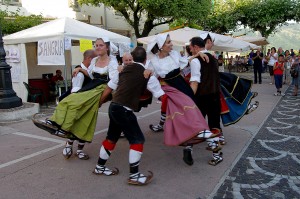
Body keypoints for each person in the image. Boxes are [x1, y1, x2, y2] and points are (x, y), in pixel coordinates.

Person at [92, 47, 164, 185]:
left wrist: (99, 103)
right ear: (145, 60)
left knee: (111, 138)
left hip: (114, 107)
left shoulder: (123, 70)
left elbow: (108, 88)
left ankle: (99, 167)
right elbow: (161, 95)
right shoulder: (146, 74)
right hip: (124, 110)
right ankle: (134, 175)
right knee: (138, 140)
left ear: (133, 57)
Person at [147, 34, 220, 166]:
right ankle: (202, 148)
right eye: (168, 42)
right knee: (190, 120)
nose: (171, 44)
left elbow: (186, 62)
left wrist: (197, 55)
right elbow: (150, 79)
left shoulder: (174, 55)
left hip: (184, 90)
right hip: (174, 93)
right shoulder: (153, 62)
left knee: (194, 119)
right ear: (161, 46)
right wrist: (159, 94)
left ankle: (201, 149)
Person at [45, 38, 119, 159]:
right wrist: (80, 69)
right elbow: (90, 75)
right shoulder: (95, 60)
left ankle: (76, 146)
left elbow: (112, 84)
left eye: (101, 45)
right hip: (91, 86)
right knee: (70, 104)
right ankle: (59, 126)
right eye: (96, 45)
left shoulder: (112, 62)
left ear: (107, 47)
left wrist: (101, 100)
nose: (98, 47)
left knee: (85, 118)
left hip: (100, 89)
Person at [189, 36, 223, 166]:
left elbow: (195, 81)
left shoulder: (196, 61)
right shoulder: (214, 58)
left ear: (196, 47)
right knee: (214, 125)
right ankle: (217, 155)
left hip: (202, 97)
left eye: (191, 47)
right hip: (215, 95)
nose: (190, 49)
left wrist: (189, 98)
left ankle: (189, 149)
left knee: (197, 125)